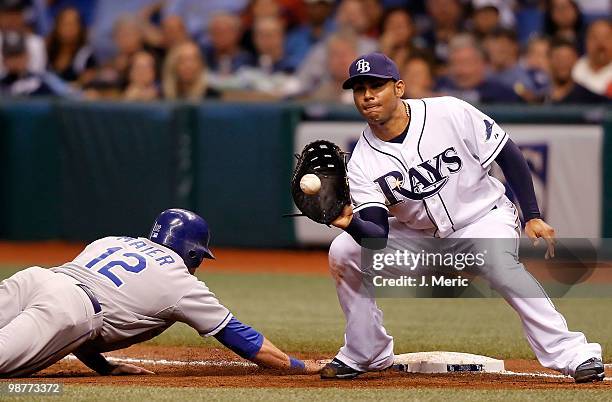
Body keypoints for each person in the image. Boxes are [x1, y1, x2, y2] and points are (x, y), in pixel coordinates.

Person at [319, 52, 605, 383]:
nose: (367, 95)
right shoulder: (362, 162)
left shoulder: (448, 111)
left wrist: (532, 215)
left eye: (376, 86)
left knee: (502, 266)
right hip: (424, 238)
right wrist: (349, 222)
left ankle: (573, 353)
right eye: (359, 89)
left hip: (484, 219)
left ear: (398, 88)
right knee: (344, 251)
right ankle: (364, 349)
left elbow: (507, 154)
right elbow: (377, 236)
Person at [0, 209, 321, 377]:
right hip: (69, 307)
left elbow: (78, 297)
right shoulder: (180, 281)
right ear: (195, 253)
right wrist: (297, 366)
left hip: (35, 278)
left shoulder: (111, 240)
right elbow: (239, 336)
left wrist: (103, 366)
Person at [435, 34, 521, 103]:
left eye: (465, 63)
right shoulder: (439, 86)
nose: (459, 71)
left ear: (482, 64)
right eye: (454, 64)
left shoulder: (501, 94)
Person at [547, 37, 608, 104]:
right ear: (549, 60)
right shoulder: (539, 97)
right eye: (558, 58)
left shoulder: (591, 100)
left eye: (567, 58)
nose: (562, 63)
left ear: (576, 60)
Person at [46, 7, 96, 84]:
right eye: (65, 24)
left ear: (80, 28)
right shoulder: (47, 52)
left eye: (73, 24)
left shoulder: (86, 56)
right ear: (57, 26)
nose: (69, 29)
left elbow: (88, 84)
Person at [571, 20, 612, 98]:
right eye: (594, 38)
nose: (601, 44)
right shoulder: (575, 68)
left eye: (606, 38)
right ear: (586, 41)